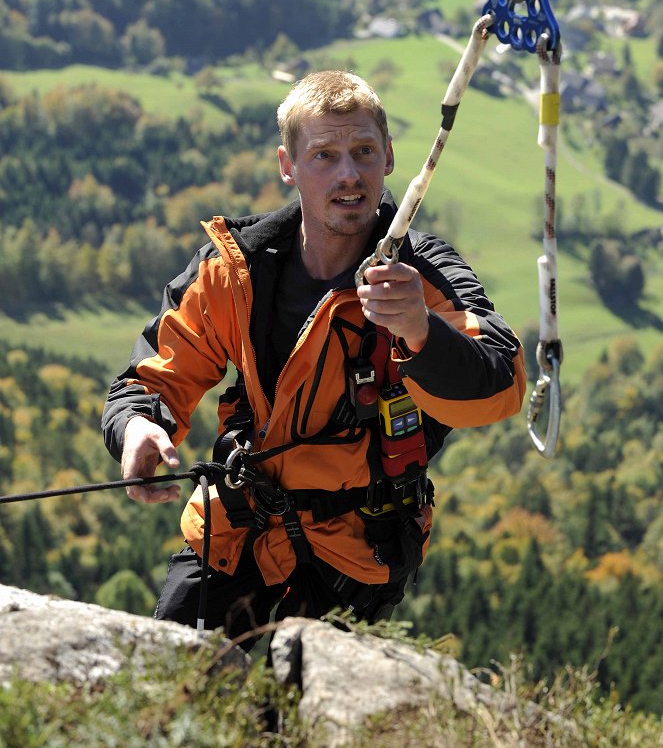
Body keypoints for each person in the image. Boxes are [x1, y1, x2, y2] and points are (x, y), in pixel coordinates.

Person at [101, 70, 526, 646]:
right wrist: (138, 428)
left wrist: (419, 330)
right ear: (288, 165)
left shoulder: (418, 276)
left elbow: (500, 384)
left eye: (363, 152)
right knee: (170, 688)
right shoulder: (237, 270)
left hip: (354, 554)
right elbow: (160, 369)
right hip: (237, 528)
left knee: (290, 719)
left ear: (390, 157)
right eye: (324, 155)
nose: (349, 174)